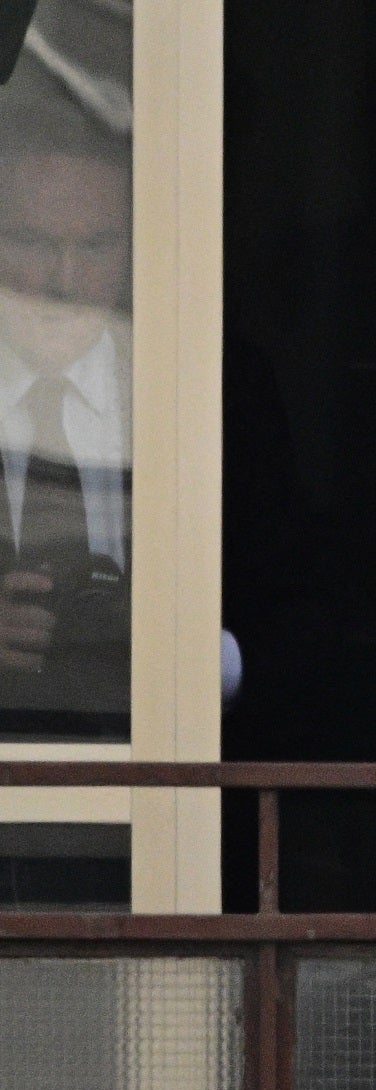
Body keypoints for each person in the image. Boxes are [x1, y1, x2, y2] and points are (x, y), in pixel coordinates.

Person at [0, 116, 131, 739]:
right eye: (31, 242)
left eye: (97, 247)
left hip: (161, 766)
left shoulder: (210, 389)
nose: (65, 281)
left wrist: (187, 652)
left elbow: (284, 617)